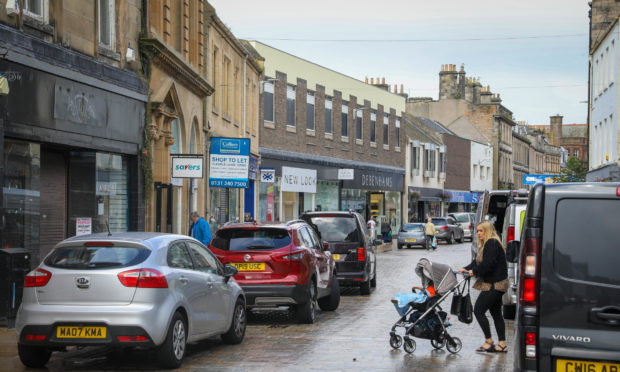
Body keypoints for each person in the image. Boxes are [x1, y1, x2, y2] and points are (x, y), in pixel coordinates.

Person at [459, 220, 509, 353]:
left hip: (495, 284)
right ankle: (502, 344)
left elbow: (488, 265)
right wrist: (466, 268)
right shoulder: (487, 244)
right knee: (496, 313)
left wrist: (473, 272)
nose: (478, 233)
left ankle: (489, 341)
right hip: (494, 284)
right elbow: (477, 262)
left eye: (481, 231)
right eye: (478, 231)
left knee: (479, 310)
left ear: (487, 231)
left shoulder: (492, 243)